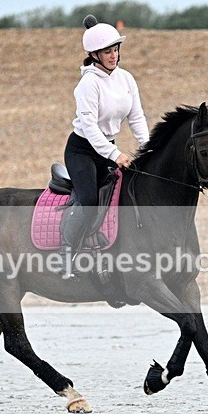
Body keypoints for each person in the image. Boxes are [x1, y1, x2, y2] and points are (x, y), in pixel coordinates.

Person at [59, 14, 150, 274]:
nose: (113, 55)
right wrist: (115, 153)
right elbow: (89, 127)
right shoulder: (88, 84)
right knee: (89, 199)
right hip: (82, 150)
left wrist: (148, 147)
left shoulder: (126, 79)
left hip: (107, 149)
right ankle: (66, 252)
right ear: (95, 55)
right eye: (106, 51)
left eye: (115, 49)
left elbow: (136, 116)